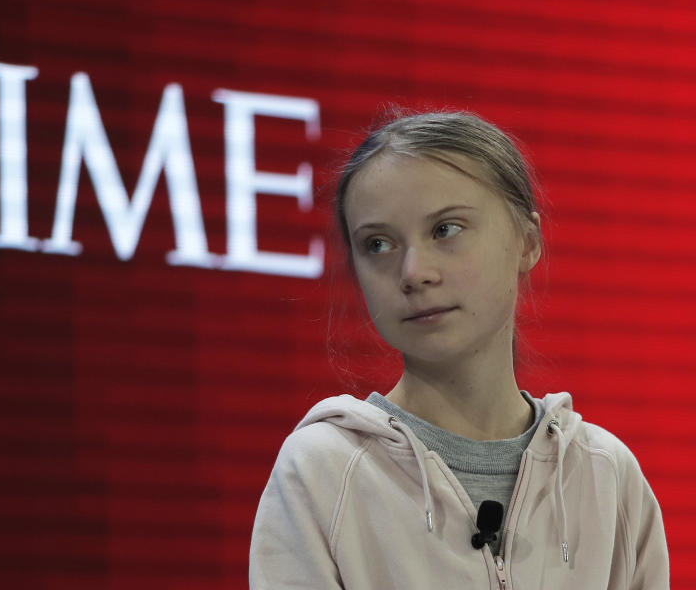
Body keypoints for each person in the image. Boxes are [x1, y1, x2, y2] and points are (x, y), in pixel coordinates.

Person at [249, 111, 669, 589]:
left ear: (527, 241)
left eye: (445, 230)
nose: (413, 272)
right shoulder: (321, 470)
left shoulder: (606, 475)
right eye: (378, 244)